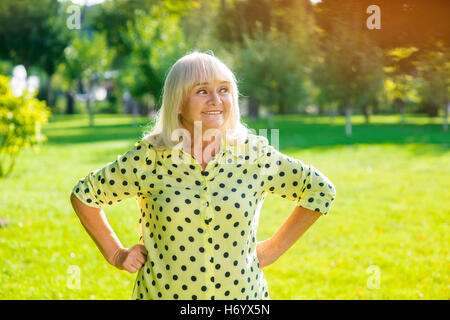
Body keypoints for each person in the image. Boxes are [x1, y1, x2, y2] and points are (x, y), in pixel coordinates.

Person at [70, 51, 336, 300]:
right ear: (178, 103)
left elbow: (318, 189)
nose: (216, 100)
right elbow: (85, 196)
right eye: (201, 91)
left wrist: (274, 248)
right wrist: (116, 254)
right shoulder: (149, 157)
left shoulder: (254, 155)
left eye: (223, 89)